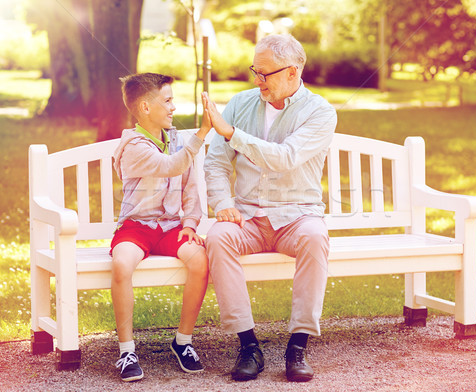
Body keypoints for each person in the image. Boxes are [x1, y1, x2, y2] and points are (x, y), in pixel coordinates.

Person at [202, 34, 337, 382]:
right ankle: (248, 346)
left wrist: (233, 133)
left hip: (297, 216)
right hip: (247, 216)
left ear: (292, 72)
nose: (257, 81)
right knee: (217, 238)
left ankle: (298, 347)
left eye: (265, 74)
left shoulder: (320, 112)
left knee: (315, 238)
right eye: (255, 72)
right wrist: (222, 203)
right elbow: (216, 161)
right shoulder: (240, 103)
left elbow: (285, 158)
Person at [111, 72, 211, 382]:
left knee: (200, 261)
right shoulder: (133, 147)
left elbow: (191, 186)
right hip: (136, 227)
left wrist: (191, 223)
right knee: (121, 264)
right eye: (167, 101)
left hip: (170, 227)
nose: (173, 107)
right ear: (144, 108)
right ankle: (127, 350)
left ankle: (183, 341)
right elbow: (172, 165)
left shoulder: (178, 140)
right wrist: (203, 132)